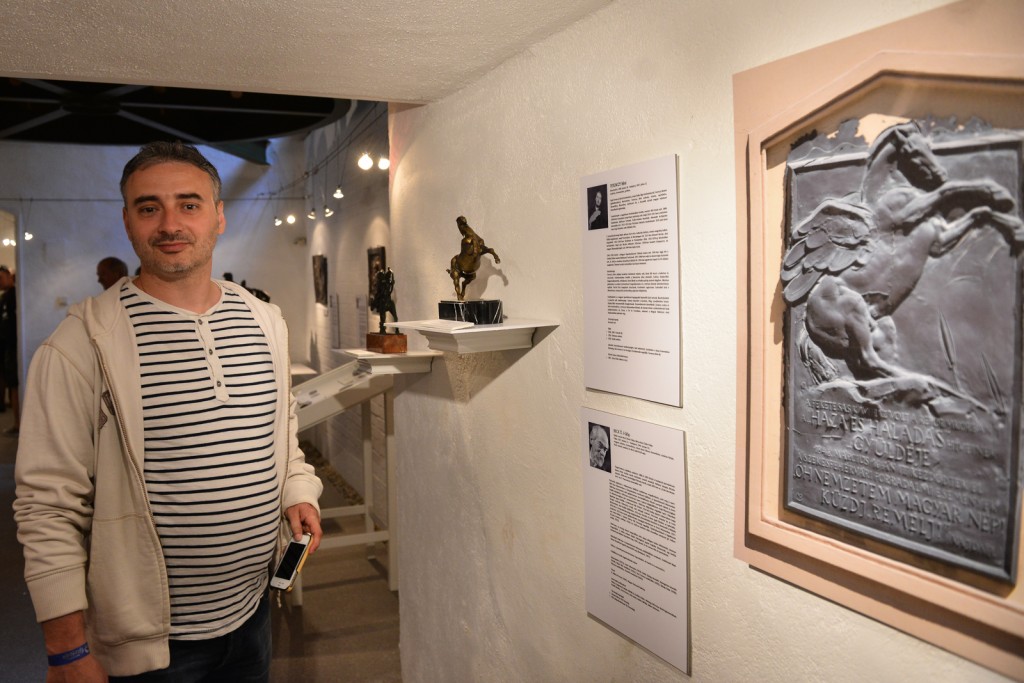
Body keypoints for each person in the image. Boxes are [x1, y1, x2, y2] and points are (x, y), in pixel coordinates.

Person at [13, 141, 324, 681]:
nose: (170, 224)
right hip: (150, 646)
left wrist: (298, 489)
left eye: (189, 204)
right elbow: (47, 504)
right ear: (128, 221)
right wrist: (65, 650)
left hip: (252, 616)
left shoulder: (264, 320)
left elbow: (281, 432)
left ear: (219, 216)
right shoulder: (80, 345)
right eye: (149, 207)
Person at [0, 266, 17, 430]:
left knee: (14, 384)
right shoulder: (5, 297)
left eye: (0, 278)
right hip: (6, 347)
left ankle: (18, 423)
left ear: (9, 277)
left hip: (14, 347)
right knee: (10, 382)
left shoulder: (15, 296)